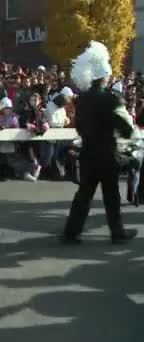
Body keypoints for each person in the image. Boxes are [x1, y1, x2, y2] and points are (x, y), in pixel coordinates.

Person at [62, 41, 139, 245]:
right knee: (111, 195)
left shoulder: (82, 100)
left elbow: (79, 127)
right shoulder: (109, 100)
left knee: (84, 195)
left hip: (88, 153)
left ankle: (72, 231)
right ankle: (117, 231)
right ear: (104, 77)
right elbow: (125, 128)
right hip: (107, 154)